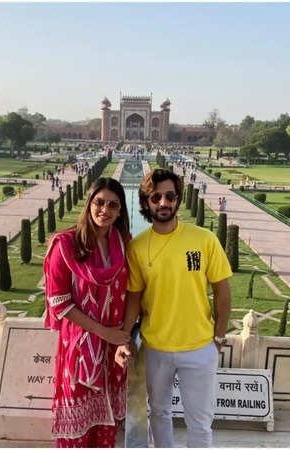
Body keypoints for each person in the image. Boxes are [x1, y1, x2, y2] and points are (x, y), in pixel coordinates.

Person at [115, 168, 232, 448]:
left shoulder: (203, 240)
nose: (163, 203)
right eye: (156, 197)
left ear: (178, 199)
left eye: (169, 196)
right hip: (156, 347)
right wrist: (124, 338)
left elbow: (222, 291)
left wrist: (218, 336)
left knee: (200, 423)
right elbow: (133, 296)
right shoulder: (138, 247)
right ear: (146, 202)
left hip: (200, 347)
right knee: (159, 413)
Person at [44, 177, 132, 448]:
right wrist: (104, 332)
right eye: (100, 202)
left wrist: (122, 338)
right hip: (80, 349)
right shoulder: (67, 244)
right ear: (89, 203)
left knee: (106, 427)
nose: (105, 210)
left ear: (120, 211)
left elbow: (135, 292)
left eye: (113, 205)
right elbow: (59, 301)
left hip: (114, 349)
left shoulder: (125, 243)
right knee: (78, 428)